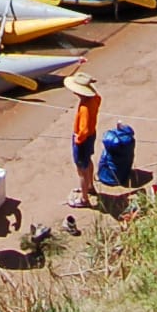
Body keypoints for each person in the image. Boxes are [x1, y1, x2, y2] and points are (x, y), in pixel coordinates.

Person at [65, 71, 102, 209]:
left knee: (81, 169)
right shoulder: (95, 99)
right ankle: (90, 186)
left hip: (84, 139)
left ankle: (84, 198)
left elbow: (83, 130)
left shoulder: (85, 108)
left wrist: (78, 140)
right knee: (88, 160)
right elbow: (98, 97)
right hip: (92, 135)